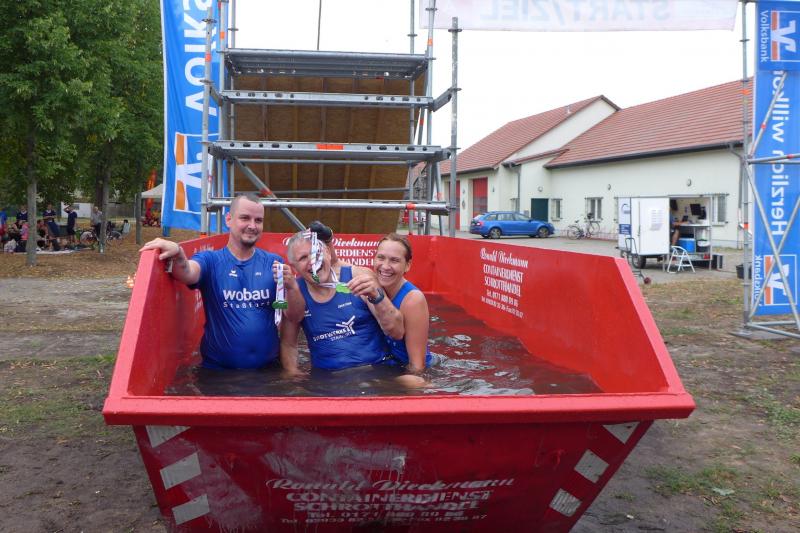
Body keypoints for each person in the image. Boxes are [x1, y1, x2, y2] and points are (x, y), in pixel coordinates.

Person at [140, 194, 303, 370]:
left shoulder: (273, 263)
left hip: (267, 372)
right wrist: (178, 253)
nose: (252, 226)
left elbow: (295, 317)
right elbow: (187, 273)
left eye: (258, 220)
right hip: (218, 374)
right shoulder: (211, 260)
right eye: (245, 218)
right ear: (228, 219)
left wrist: (292, 287)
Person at [280, 229, 404, 374]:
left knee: (415, 381)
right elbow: (288, 344)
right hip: (328, 378)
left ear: (328, 252)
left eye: (316, 253)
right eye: (303, 258)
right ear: (294, 267)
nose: (313, 261)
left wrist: (378, 298)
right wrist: (294, 374)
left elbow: (397, 331)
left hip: (377, 370)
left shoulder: (358, 276)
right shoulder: (294, 292)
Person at [373, 233, 432, 373]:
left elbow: (418, 366)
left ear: (407, 265)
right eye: (381, 257)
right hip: (384, 366)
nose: (385, 266)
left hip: (405, 371)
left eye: (394, 260)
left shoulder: (413, 300)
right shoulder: (371, 285)